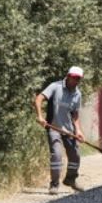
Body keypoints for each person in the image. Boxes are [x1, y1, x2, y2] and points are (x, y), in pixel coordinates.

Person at [34, 66, 85, 195]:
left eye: (78, 78)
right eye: (74, 77)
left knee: (75, 155)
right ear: (68, 76)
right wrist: (40, 116)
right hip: (53, 127)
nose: (76, 81)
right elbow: (39, 98)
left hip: (68, 130)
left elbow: (75, 114)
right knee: (56, 154)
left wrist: (78, 130)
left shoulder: (77, 94)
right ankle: (54, 184)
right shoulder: (55, 86)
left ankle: (70, 179)